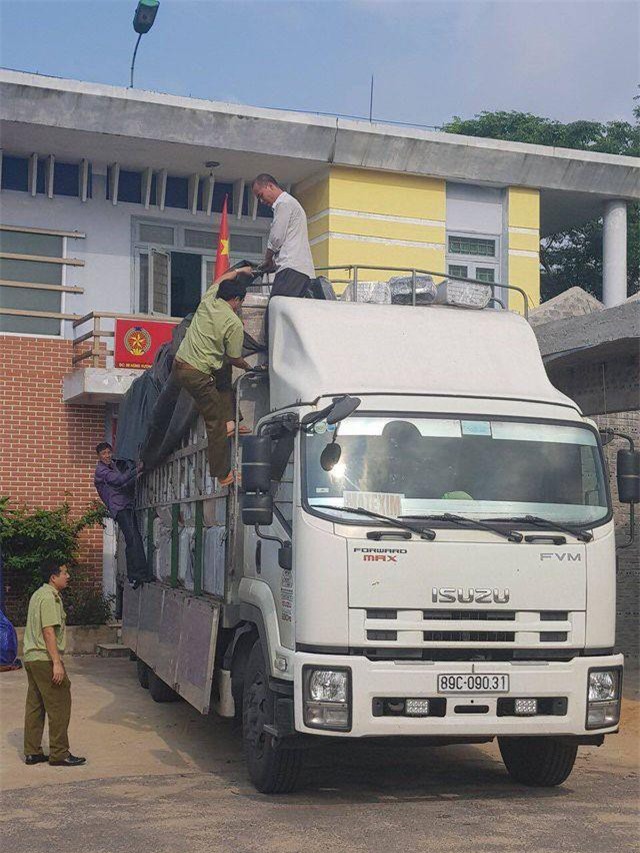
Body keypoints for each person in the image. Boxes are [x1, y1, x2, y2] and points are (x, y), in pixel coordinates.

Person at [173, 271, 254, 487]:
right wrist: (251, 367)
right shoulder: (234, 323)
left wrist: (239, 271)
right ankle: (223, 474)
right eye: (240, 303)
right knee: (214, 422)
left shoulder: (209, 299)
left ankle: (231, 420)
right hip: (196, 374)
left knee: (223, 370)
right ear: (236, 300)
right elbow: (236, 357)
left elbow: (220, 279)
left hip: (180, 363)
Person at [23, 562, 86, 766]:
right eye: (64, 573)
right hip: (44, 658)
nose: (67, 576)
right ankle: (59, 753)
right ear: (53, 577)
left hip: (32, 658)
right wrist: (56, 663)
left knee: (36, 704)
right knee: (60, 701)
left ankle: (32, 751)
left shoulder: (37, 595)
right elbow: (48, 630)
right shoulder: (50, 598)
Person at [252, 174, 315, 302]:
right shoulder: (292, 203)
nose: (261, 202)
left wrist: (268, 259)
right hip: (302, 270)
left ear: (270, 186)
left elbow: (276, 237)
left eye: (260, 195)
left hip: (291, 268)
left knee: (275, 311)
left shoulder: (283, 203)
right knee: (288, 313)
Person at [94, 442, 149, 588]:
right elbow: (118, 481)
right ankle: (140, 574)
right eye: (103, 454)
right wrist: (136, 470)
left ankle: (135, 576)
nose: (107, 456)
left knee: (133, 539)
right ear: (99, 456)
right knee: (133, 538)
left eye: (108, 452)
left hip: (126, 505)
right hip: (120, 508)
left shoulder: (113, 466)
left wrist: (136, 476)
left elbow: (124, 484)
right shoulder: (101, 471)